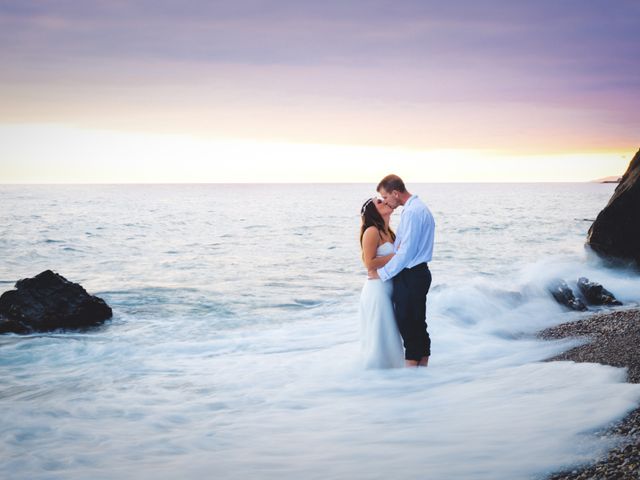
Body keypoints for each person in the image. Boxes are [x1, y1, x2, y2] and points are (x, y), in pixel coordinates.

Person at [369, 174, 435, 367]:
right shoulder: (418, 208)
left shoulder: (413, 212)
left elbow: (406, 253)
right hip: (418, 273)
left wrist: (381, 274)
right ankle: (422, 373)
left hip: (412, 275)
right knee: (417, 324)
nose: (386, 201)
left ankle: (412, 377)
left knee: (408, 326)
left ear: (395, 193)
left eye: (385, 196)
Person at [358, 196, 405, 369]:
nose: (385, 202)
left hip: (389, 287)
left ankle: (394, 370)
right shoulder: (372, 231)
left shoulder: (389, 232)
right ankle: (378, 371)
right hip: (377, 289)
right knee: (381, 332)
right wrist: (397, 255)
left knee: (390, 331)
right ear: (373, 211)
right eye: (380, 202)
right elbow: (369, 263)